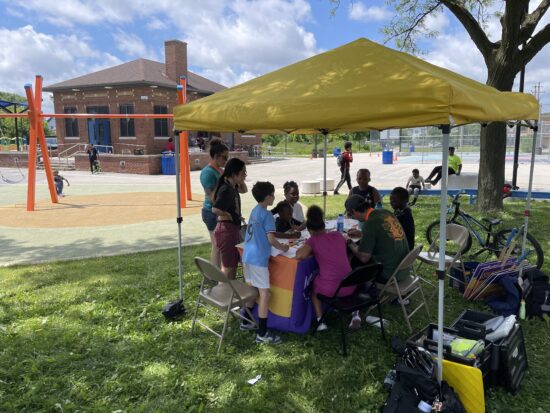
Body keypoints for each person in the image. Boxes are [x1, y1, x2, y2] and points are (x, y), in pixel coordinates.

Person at [345, 195, 410, 327]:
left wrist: (349, 242)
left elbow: (364, 257)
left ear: (354, 211)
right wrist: (363, 234)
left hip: (390, 274)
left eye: (352, 215)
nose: (353, 218)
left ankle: (356, 307)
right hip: (404, 269)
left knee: (355, 264)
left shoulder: (370, 223)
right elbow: (383, 235)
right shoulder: (384, 212)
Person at [241, 181, 289, 344]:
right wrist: (282, 247)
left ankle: (245, 321)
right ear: (267, 197)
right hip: (258, 260)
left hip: (247, 256)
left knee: (252, 290)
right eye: (273, 194)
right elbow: (271, 239)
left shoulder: (255, 211)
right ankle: (262, 333)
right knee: (265, 294)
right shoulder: (267, 215)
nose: (274, 197)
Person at [296, 205, 355, 331]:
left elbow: (300, 255)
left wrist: (309, 246)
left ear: (310, 229)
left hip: (331, 290)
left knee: (314, 291)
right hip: (350, 285)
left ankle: (320, 321)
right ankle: (354, 314)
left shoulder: (313, 240)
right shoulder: (338, 235)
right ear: (324, 224)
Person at [212, 158, 248, 280]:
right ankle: (225, 294)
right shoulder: (226, 189)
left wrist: (240, 179)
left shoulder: (232, 186)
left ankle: (231, 294)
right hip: (226, 231)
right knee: (228, 268)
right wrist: (229, 215)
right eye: (243, 172)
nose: (246, 175)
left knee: (232, 265)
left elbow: (245, 190)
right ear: (234, 173)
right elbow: (215, 209)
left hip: (231, 229)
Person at [200, 138, 230, 267]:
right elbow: (212, 197)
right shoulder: (207, 173)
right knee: (217, 245)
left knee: (220, 245)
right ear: (217, 156)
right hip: (211, 213)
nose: (226, 160)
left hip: (219, 212)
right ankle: (215, 276)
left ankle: (220, 274)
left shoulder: (219, 170)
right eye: (225, 157)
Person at [390, 187, 415, 251]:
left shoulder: (405, 215)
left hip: (403, 249)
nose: (392, 202)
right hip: (401, 246)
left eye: (395, 200)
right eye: (391, 200)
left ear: (405, 201)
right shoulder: (399, 211)